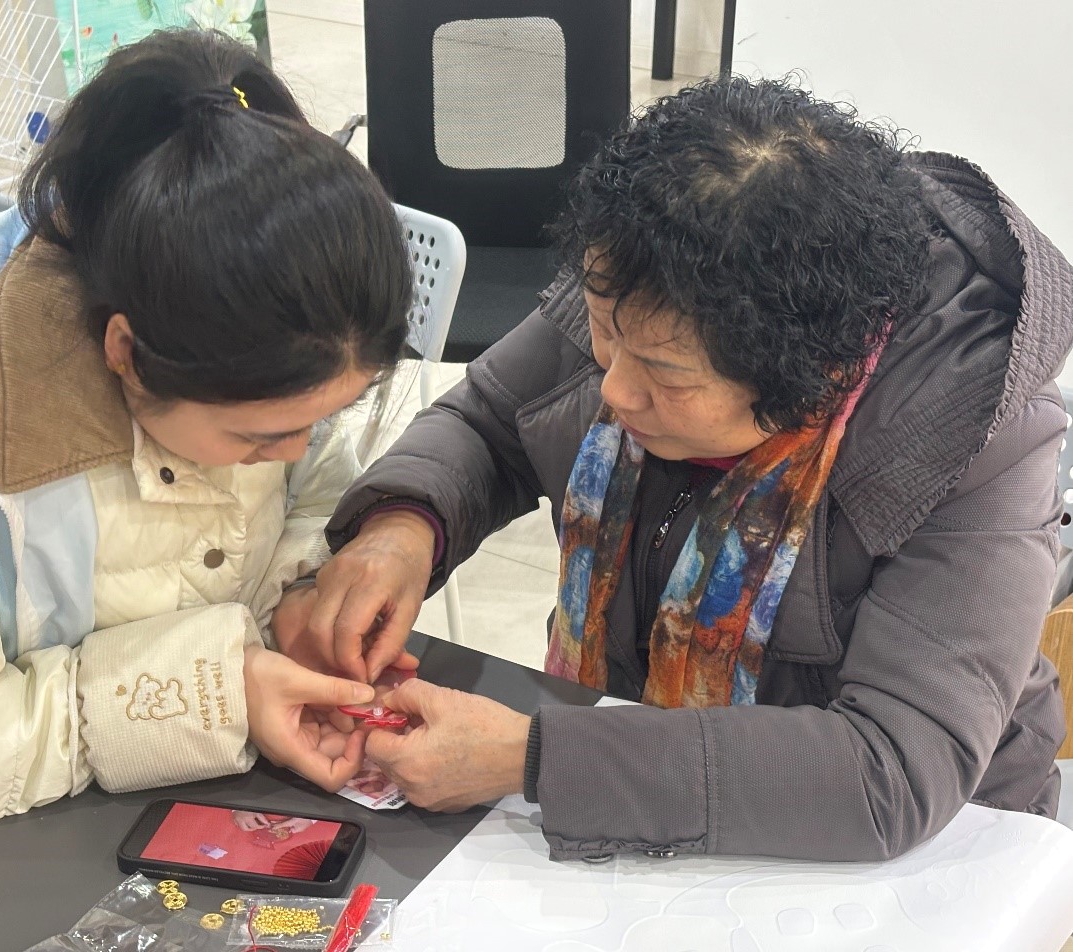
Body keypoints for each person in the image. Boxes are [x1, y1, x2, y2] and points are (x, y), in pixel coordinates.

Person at [305, 77, 1073, 861]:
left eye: (664, 376)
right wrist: (403, 527)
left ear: (805, 374)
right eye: (603, 336)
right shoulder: (645, 283)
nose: (612, 389)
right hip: (651, 778)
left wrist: (534, 758)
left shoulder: (975, 431)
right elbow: (488, 421)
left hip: (933, 855)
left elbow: (889, 771)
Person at [0, 28, 412, 936]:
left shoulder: (270, 325)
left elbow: (313, 490)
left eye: (321, 419)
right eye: (259, 437)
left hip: (145, 809)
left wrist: (301, 594)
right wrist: (222, 690)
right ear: (124, 351)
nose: (295, 452)